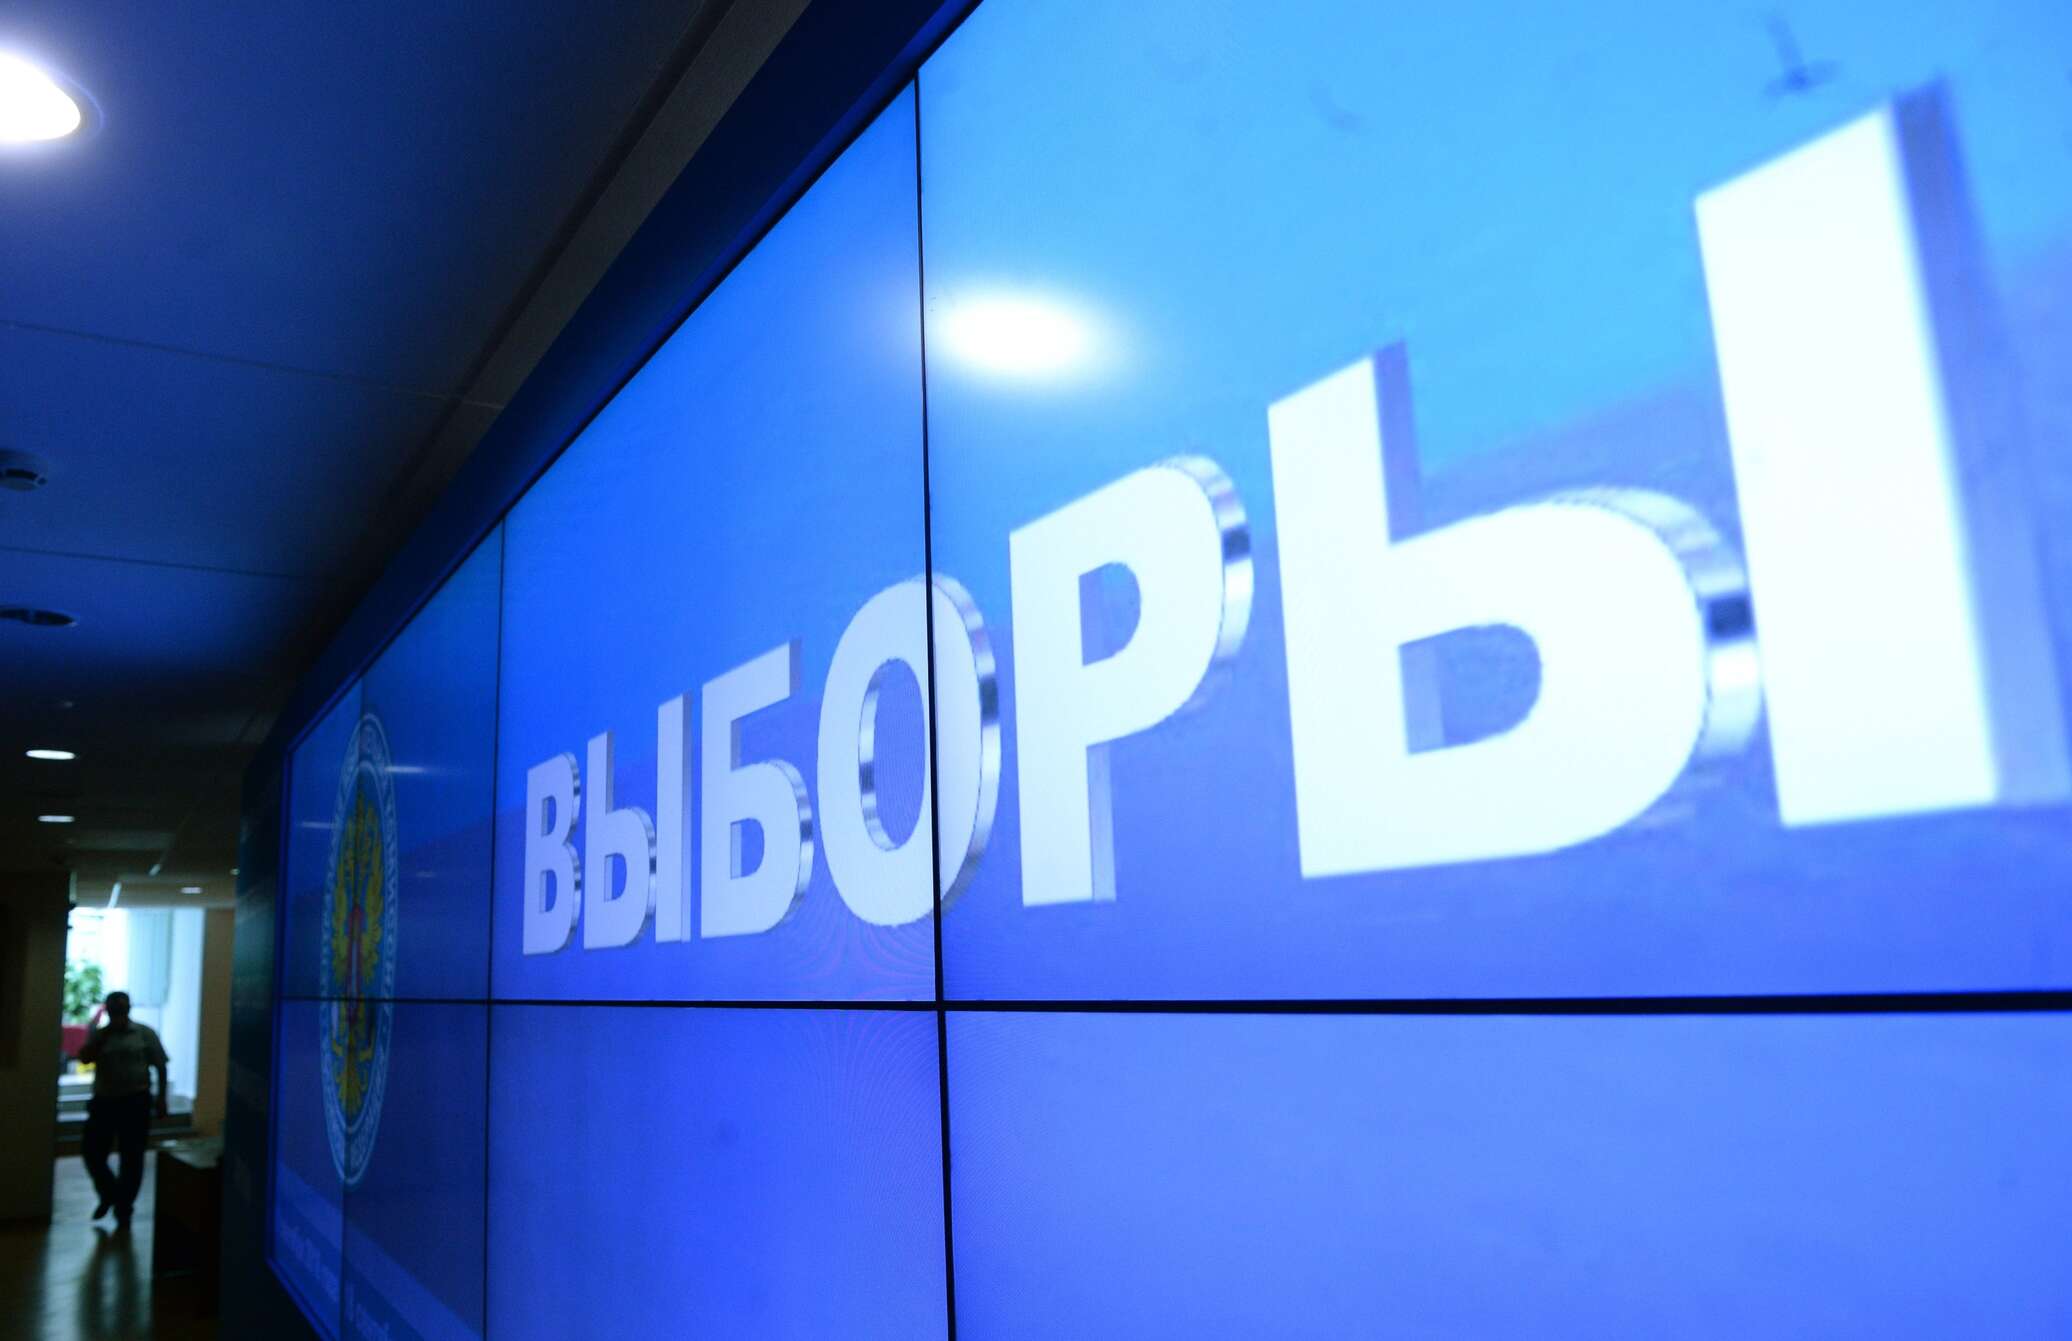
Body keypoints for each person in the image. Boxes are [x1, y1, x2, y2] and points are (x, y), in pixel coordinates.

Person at [74, 990, 169, 1232]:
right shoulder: (100, 1035)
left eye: (122, 1008)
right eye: (115, 1009)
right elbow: (84, 1059)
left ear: (129, 1009)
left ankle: (124, 1207)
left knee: (132, 1157)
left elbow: (160, 1065)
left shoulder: (144, 1033)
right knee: (92, 1153)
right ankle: (110, 1193)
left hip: (135, 1102)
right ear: (108, 1010)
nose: (119, 1013)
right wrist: (101, 1037)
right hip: (104, 1102)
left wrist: (161, 1098)